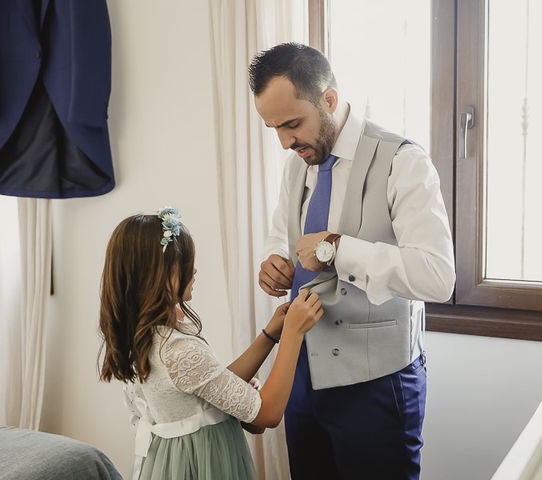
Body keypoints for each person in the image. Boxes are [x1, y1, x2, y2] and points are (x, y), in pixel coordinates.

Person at [250, 43, 456, 479]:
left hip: (377, 385)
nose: (286, 142)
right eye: (274, 128)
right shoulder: (297, 163)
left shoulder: (404, 161)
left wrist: (337, 248)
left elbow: (438, 278)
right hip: (301, 374)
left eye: (292, 124)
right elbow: (283, 234)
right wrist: (274, 258)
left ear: (328, 99)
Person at [98, 208, 323, 480]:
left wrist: (269, 336)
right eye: (185, 265)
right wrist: (293, 334)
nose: (193, 270)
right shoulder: (179, 351)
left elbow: (209, 383)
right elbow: (268, 413)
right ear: (159, 275)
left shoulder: (153, 335)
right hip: (200, 463)